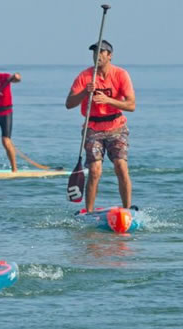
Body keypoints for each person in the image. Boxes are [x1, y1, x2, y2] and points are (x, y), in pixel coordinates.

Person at [65, 40, 135, 212]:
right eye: (94, 52)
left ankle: (127, 210)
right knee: (95, 170)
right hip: (93, 127)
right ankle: (88, 212)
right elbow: (69, 104)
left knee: (121, 166)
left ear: (109, 55)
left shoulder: (121, 74)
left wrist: (108, 100)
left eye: (101, 52)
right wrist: (84, 92)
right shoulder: (85, 76)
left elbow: (131, 105)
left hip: (117, 127)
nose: (97, 55)